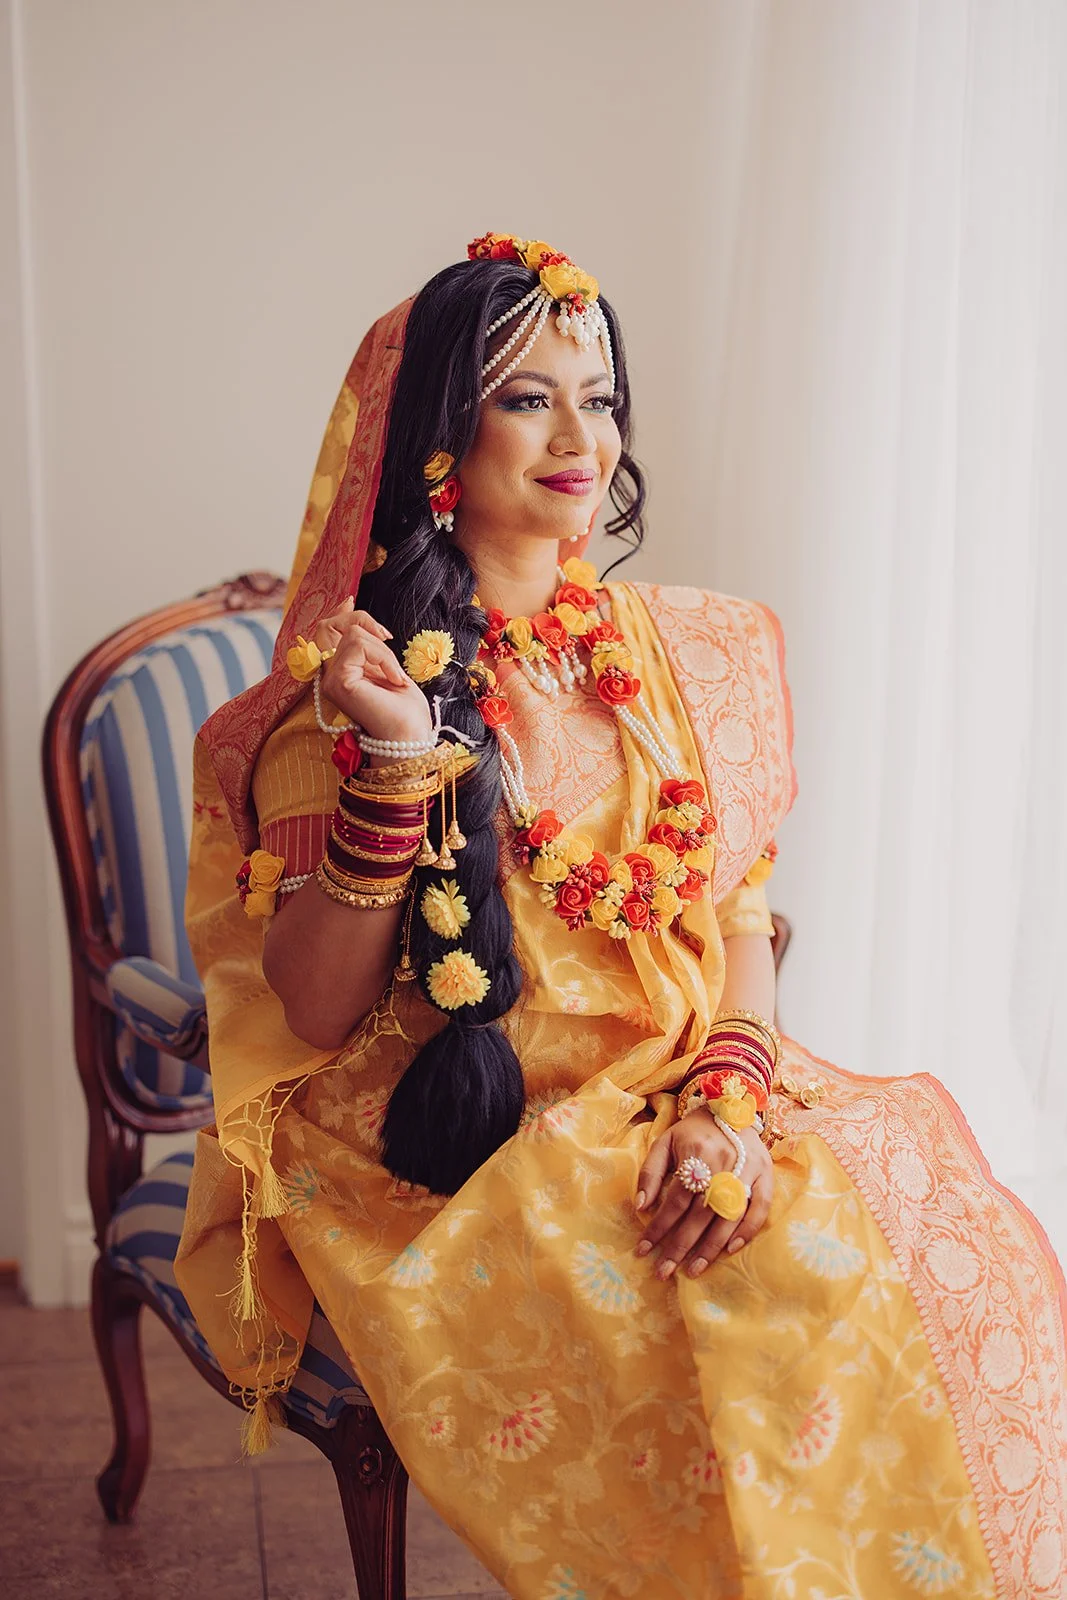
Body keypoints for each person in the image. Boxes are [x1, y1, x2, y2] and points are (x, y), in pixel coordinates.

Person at [175, 234, 1066, 1598]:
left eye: (595, 395)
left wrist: (726, 1087)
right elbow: (312, 1009)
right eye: (525, 397)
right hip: (440, 1139)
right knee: (759, 1282)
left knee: (923, 1234)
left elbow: (738, 924)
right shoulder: (341, 699)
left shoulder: (672, 656)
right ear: (434, 438)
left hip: (672, 1080)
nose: (578, 433)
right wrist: (401, 764)